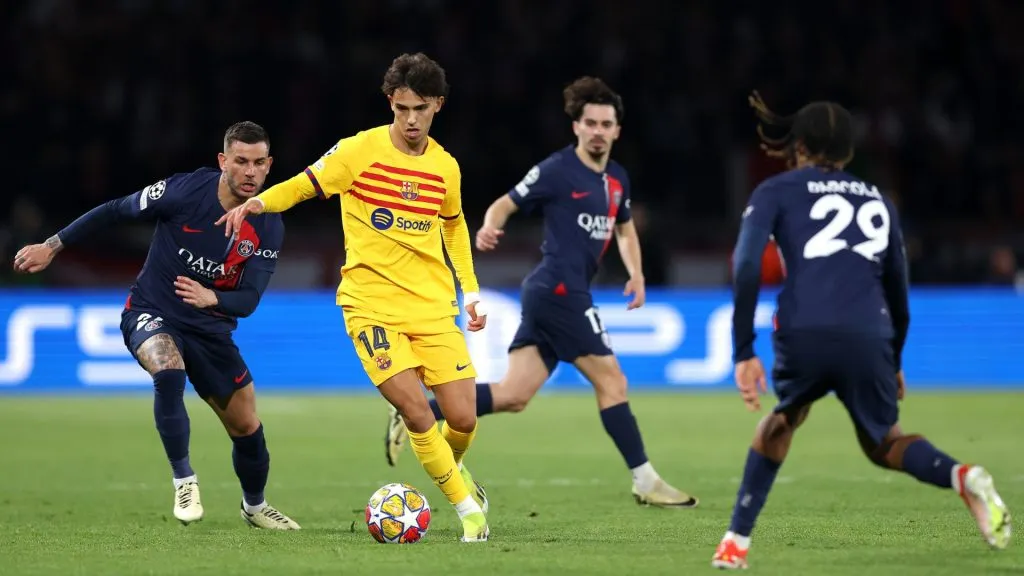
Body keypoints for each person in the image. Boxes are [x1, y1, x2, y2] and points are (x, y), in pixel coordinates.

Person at [711, 92, 1011, 569]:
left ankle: (735, 543)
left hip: (804, 327)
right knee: (885, 443)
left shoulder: (776, 190)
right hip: (870, 332)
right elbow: (899, 289)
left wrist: (743, 349)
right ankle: (961, 475)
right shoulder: (879, 200)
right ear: (849, 150)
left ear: (799, 146)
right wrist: (894, 359)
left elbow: (746, 265)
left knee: (785, 418)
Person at [385, 76, 698, 509]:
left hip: (554, 294)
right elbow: (507, 201)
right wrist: (491, 224)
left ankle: (421, 409)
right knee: (613, 381)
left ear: (616, 131)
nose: (597, 131)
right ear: (577, 126)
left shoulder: (617, 180)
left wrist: (637, 274)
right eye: (590, 122)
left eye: (606, 124)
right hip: (558, 291)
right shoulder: (557, 169)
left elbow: (625, 229)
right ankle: (645, 479)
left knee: (514, 395)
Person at [216, 53, 490, 542]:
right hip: (370, 305)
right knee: (420, 411)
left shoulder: (445, 167)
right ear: (391, 102)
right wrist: (258, 202)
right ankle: (469, 511)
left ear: (438, 106)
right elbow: (302, 185)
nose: (410, 119)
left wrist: (468, 290)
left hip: (431, 307)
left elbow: (454, 227)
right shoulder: (357, 152)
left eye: (420, 109)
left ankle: (453, 469)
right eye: (402, 107)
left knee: (464, 418)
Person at [13, 121, 300, 530]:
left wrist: (212, 298)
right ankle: (185, 480)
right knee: (168, 368)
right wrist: (53, 245)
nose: (249, 172)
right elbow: (115, 210)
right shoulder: (184, 192)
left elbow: (250, 299)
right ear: (223, 161)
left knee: (247, 426)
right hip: (152, 311)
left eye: (258, 163)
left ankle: (255, 507)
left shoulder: (269, 223)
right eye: (240, 161)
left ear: (269, 165)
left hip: (211, 329)